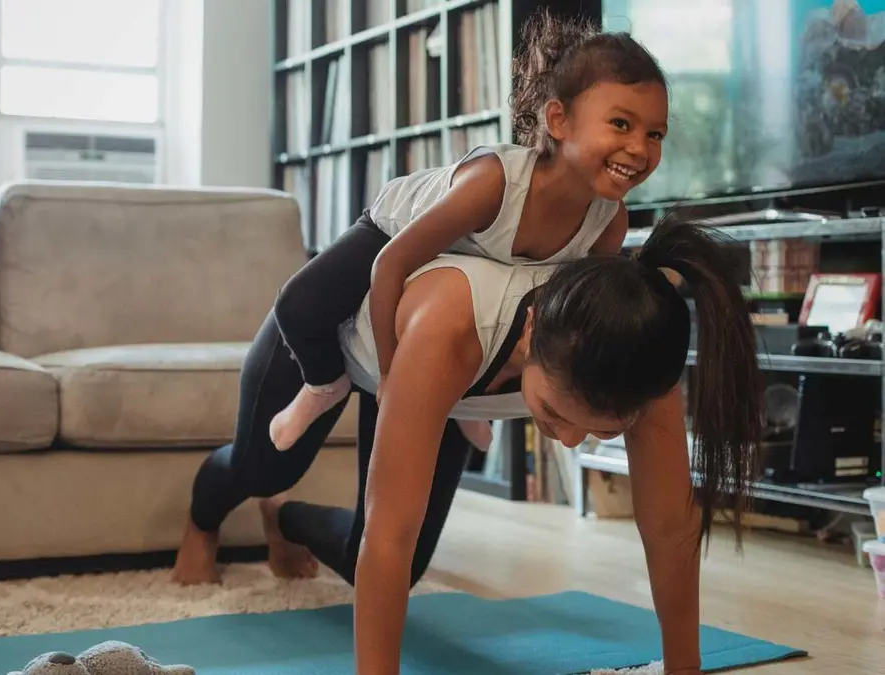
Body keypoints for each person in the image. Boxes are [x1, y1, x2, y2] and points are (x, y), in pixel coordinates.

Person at [171, 214, 763, 675]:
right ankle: (204, 521)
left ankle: (286, 521)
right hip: (328, 345)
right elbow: (390, 530)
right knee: (263, 467)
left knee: (388, 570)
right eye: (556, 413)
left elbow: (668, 528)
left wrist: (683, 666)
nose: (575, 440)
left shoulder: (637, 356)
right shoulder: (456, 326)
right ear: (530, 333)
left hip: (428, 387)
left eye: (602, 430)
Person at [267, 9, 670, 452]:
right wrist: (389, 378)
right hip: (390, 229)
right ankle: (323, 386)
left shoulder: (608, 222)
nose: (639, 148)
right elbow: (390, 265)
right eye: (621, 124)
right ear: (558, 121)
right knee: (296, 305)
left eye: (655, 134)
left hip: (475, 270)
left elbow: (558, 321)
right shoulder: (494, 184)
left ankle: (463, 410)